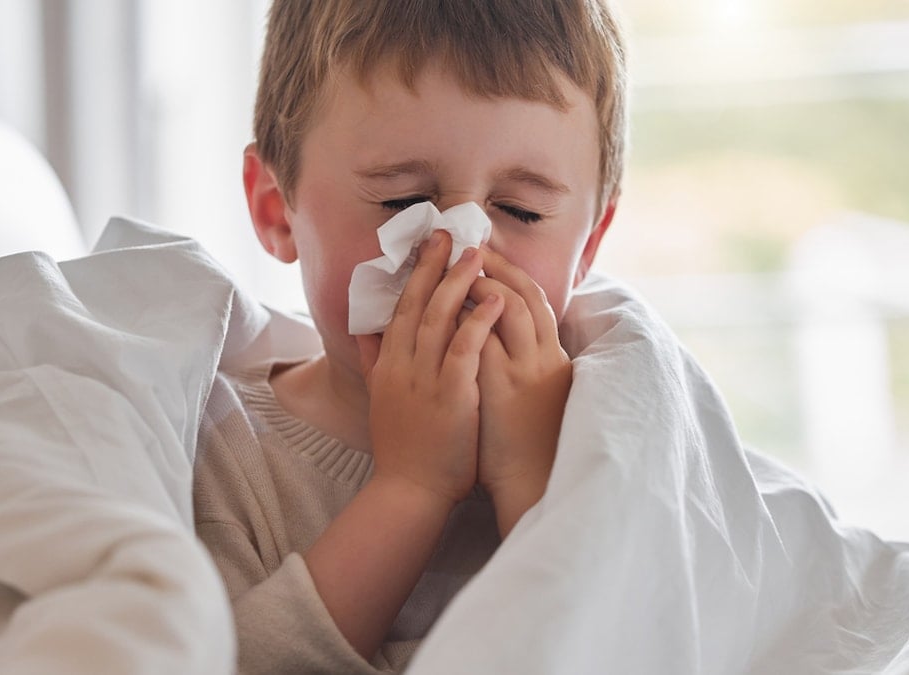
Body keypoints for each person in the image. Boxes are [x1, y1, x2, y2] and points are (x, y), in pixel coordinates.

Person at [192, 0, 626, 671]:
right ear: (277, 210)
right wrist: (411, 488)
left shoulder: (608, 440)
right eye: (401, 201)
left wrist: (534, 485)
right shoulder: (225, 459)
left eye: (521, 210)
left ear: (590, 242)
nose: (460, 251)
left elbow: (647, 637)